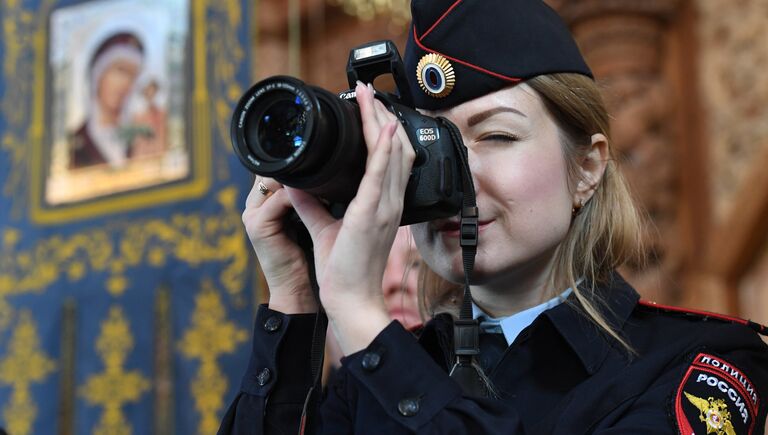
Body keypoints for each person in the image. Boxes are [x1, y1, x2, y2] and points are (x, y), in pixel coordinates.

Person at [220, 1, 768, 434]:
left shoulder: (701, 365)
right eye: (428, 148)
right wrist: (294, 294)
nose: (457, 177)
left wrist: (363, 319)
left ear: (587, 167)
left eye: (497, 136)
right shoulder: (379, 370)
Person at [69, 31, 145, 169]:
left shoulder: (139, 138)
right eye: (120, 70)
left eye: (133, 76)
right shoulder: (74, 145)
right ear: (98, 74)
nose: (126, 83)